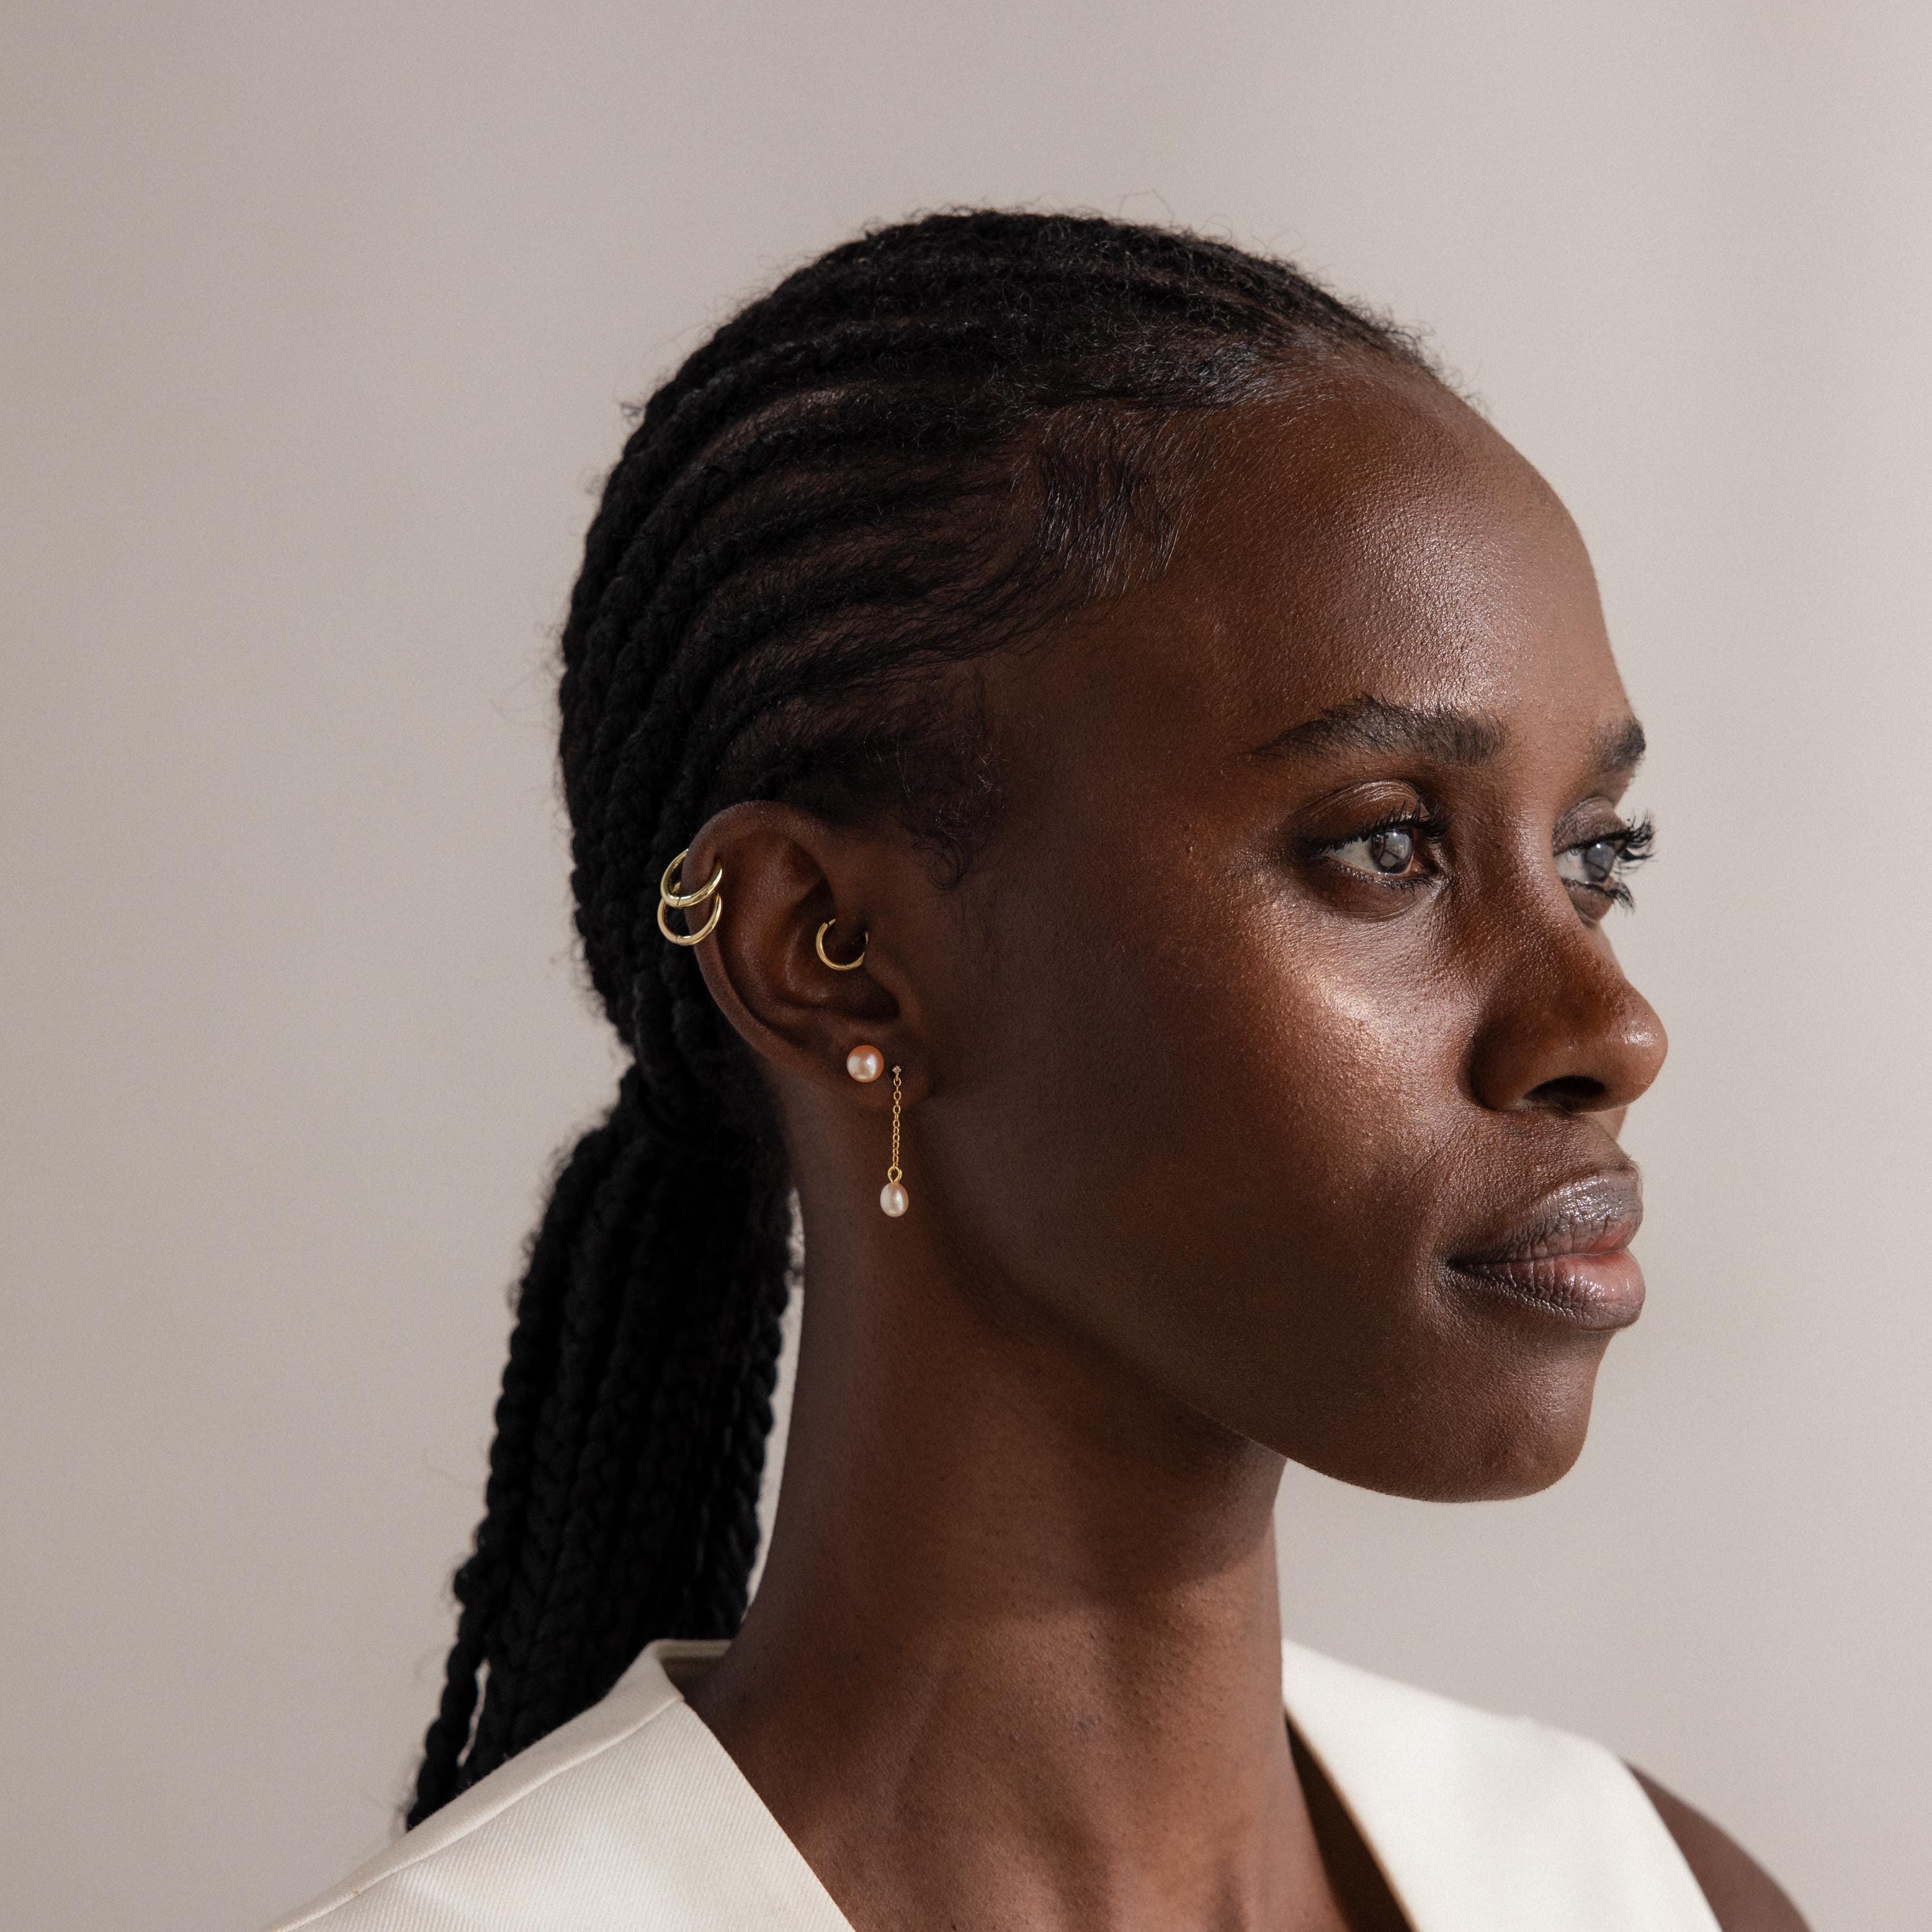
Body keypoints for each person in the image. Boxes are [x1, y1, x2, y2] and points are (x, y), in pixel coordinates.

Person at [268, 210, 1808, 1931]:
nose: (1609, 1029)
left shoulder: (1646, 1892)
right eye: (1386, 845)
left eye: (1600, 851)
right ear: (827, 947)